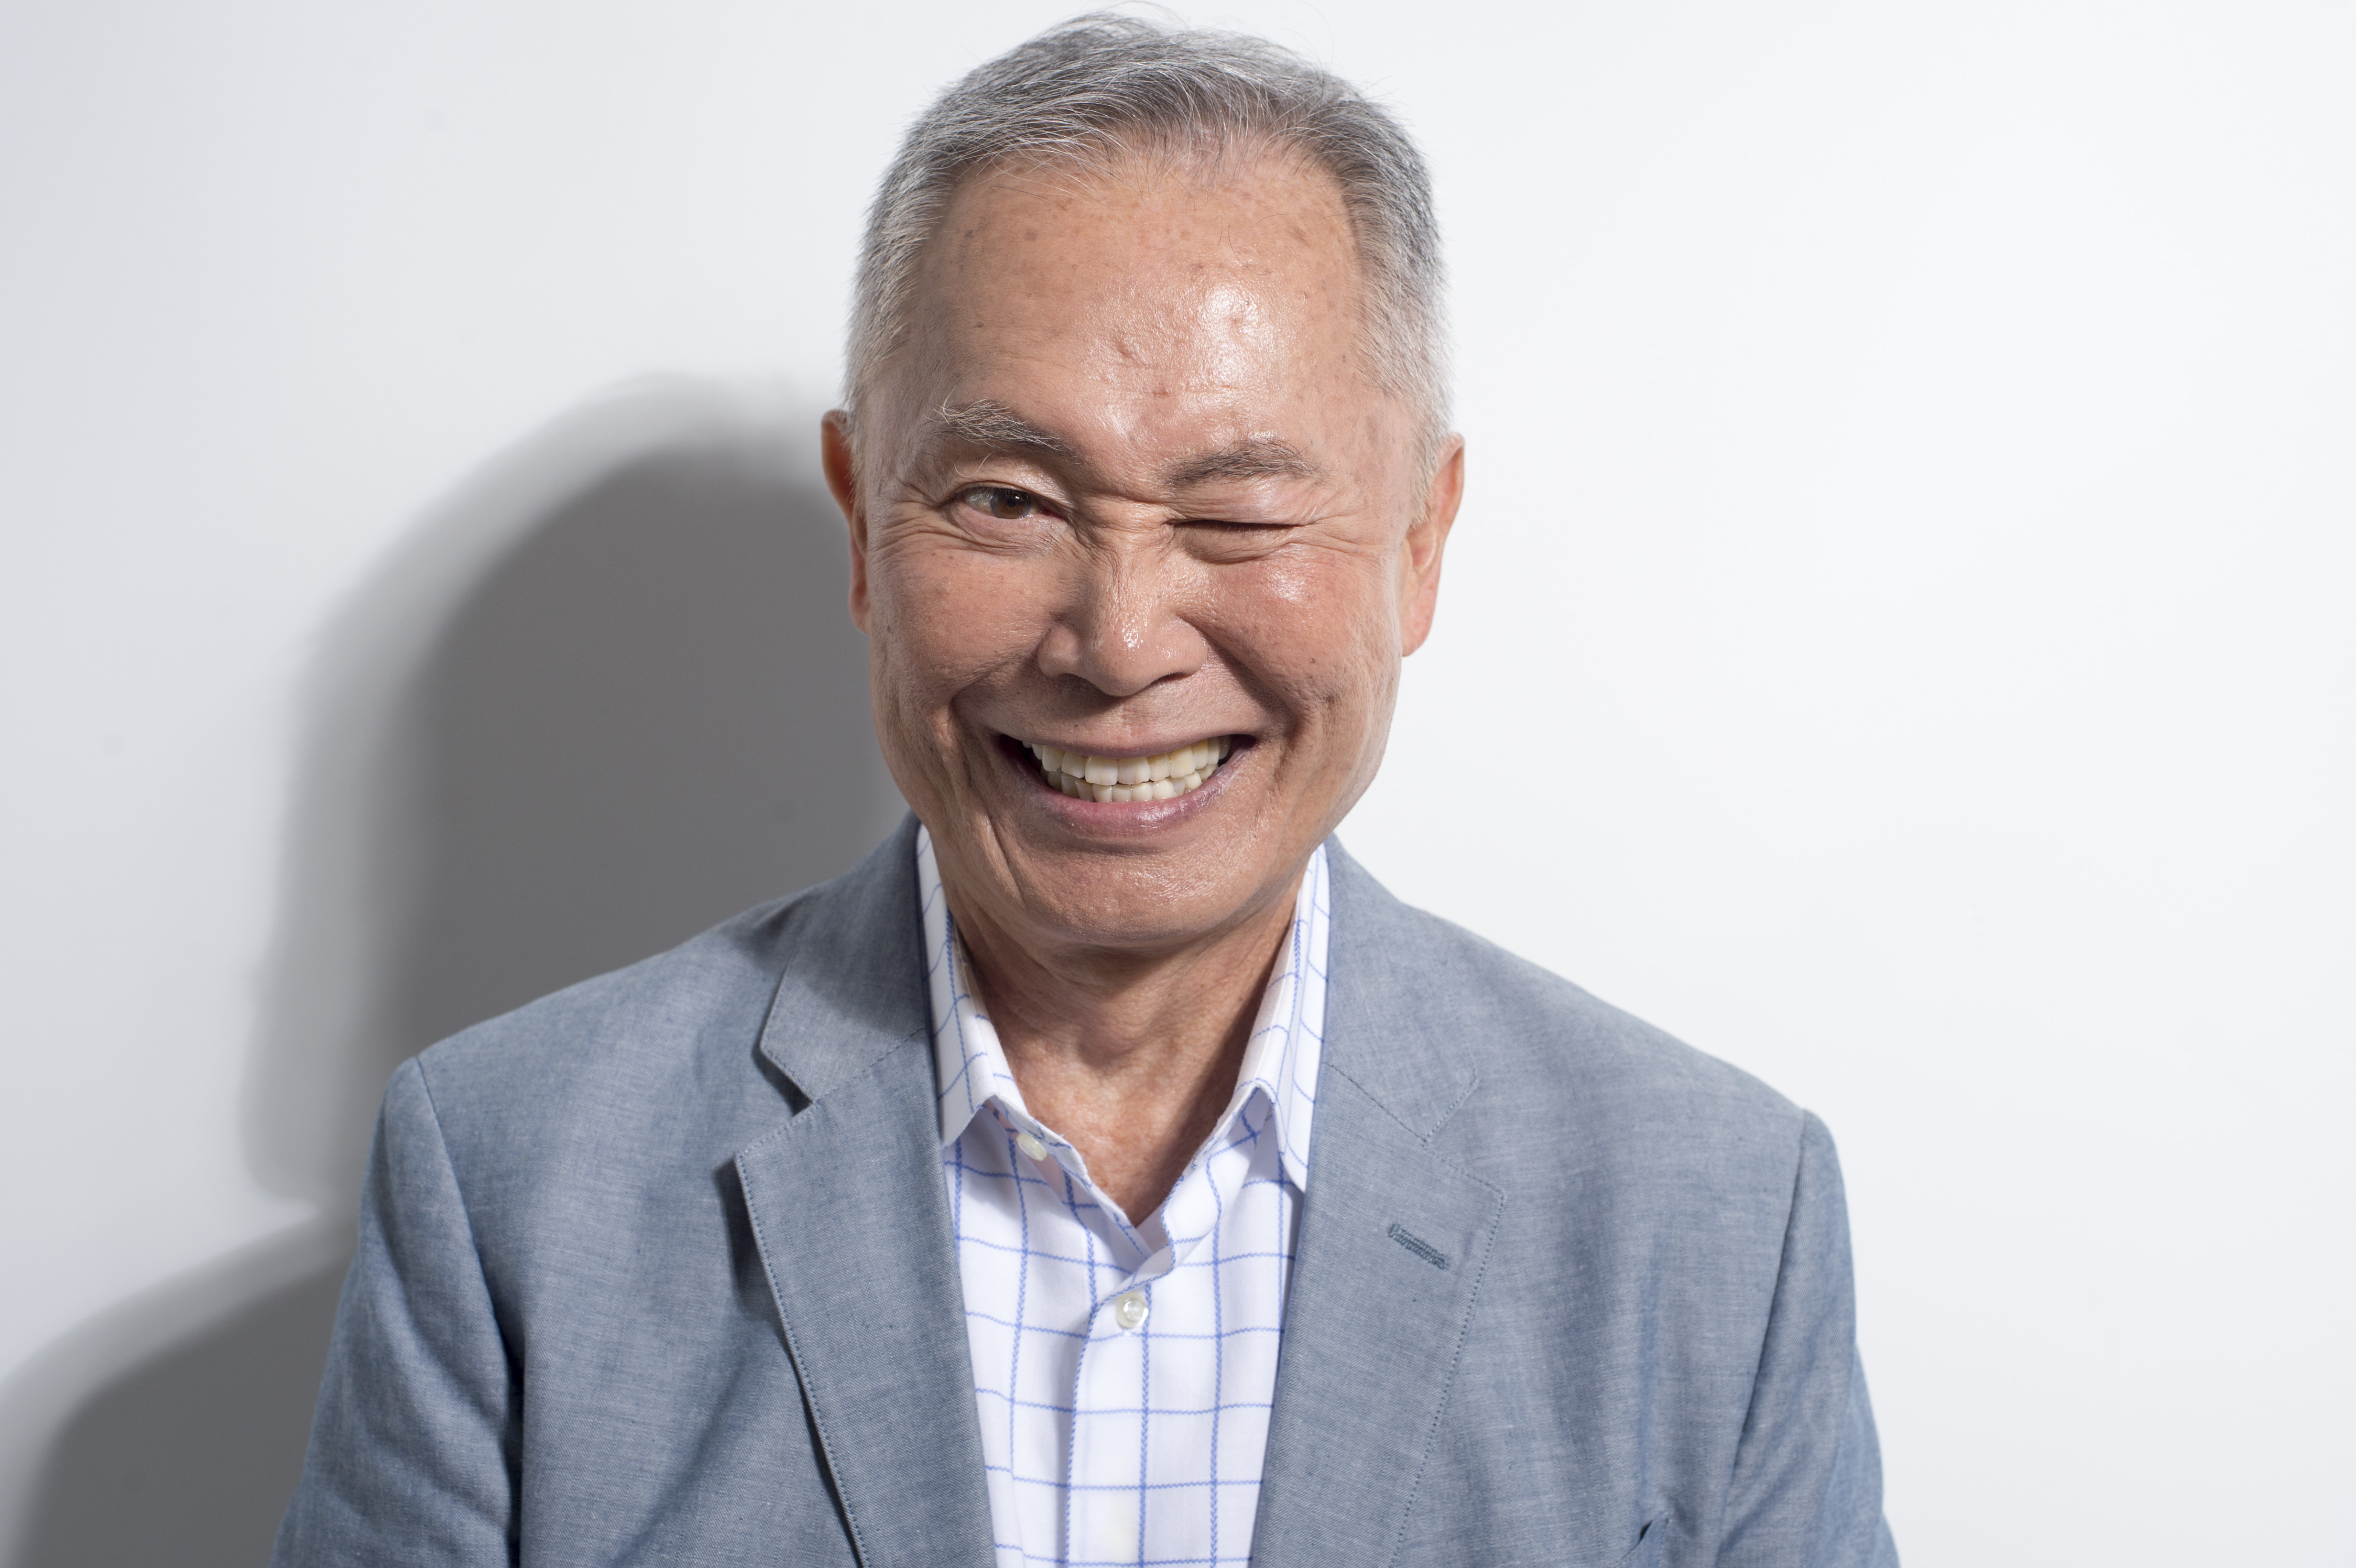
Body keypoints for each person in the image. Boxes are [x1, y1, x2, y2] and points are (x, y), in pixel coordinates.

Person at [274, 15, 1898, 1567]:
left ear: (1421, 544)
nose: (1119, 645)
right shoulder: (511, 1186)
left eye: (1243, 514)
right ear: (858, 524)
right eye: (1007, 498)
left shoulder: (1716, 1221)